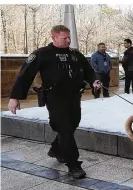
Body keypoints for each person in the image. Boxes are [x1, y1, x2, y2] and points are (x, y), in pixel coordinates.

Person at [8, 25, 102, 179]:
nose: (68, 40)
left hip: (73, 96)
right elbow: (25, 75)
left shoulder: (75, 54)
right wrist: (14, 97)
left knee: (73, 124)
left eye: (68, 37)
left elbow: (88, 71)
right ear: (53, 37)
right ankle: (73, 165)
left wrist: (94, 81)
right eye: (64, 38)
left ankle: (56, 149)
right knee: (64, 128)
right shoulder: (42, 54)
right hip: (55, 97)